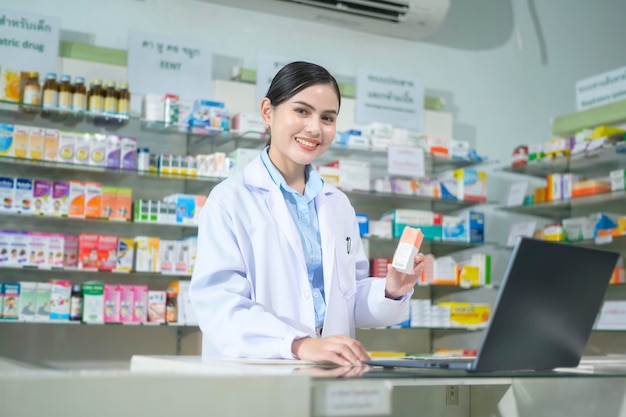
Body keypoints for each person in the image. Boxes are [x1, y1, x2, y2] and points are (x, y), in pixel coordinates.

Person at [189, 61, 425, 367]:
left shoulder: (337, 204)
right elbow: (220, 306)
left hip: (328, 372)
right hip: (256, 373)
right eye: (302, 111)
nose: (315, 128)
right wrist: (298, 344)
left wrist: (392, 289)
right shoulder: (230, 200)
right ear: (267, 112)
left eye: (327, 118)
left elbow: (347, 300)